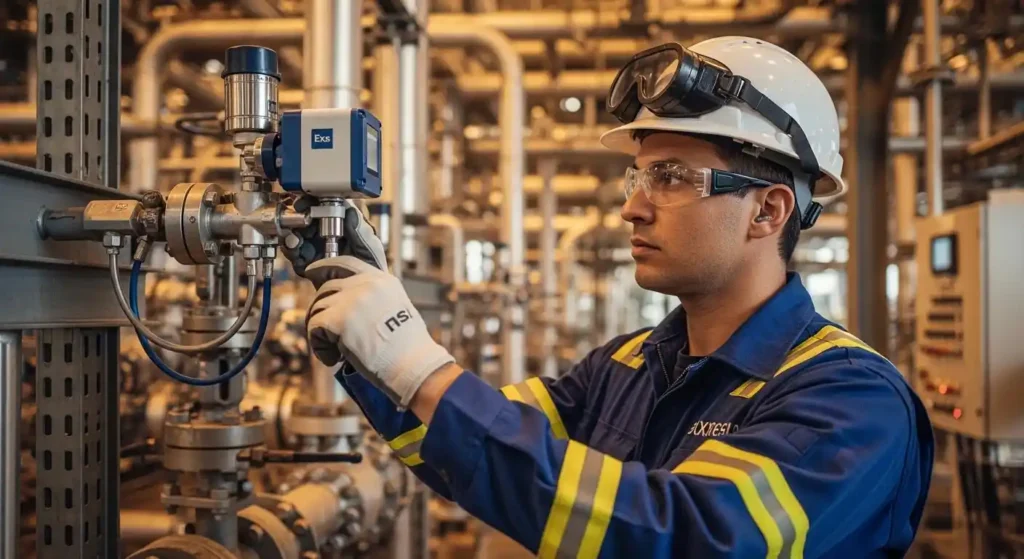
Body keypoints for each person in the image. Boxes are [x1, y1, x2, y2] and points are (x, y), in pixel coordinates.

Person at [287, 37, 934, 558]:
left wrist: (422, 369)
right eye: (638, 176)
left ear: (768, 210)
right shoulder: (627, 364)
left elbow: (688, 536)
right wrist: (370, 353)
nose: (632, 207)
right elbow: (474, 451)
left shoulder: (852, 399)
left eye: (671, 177)